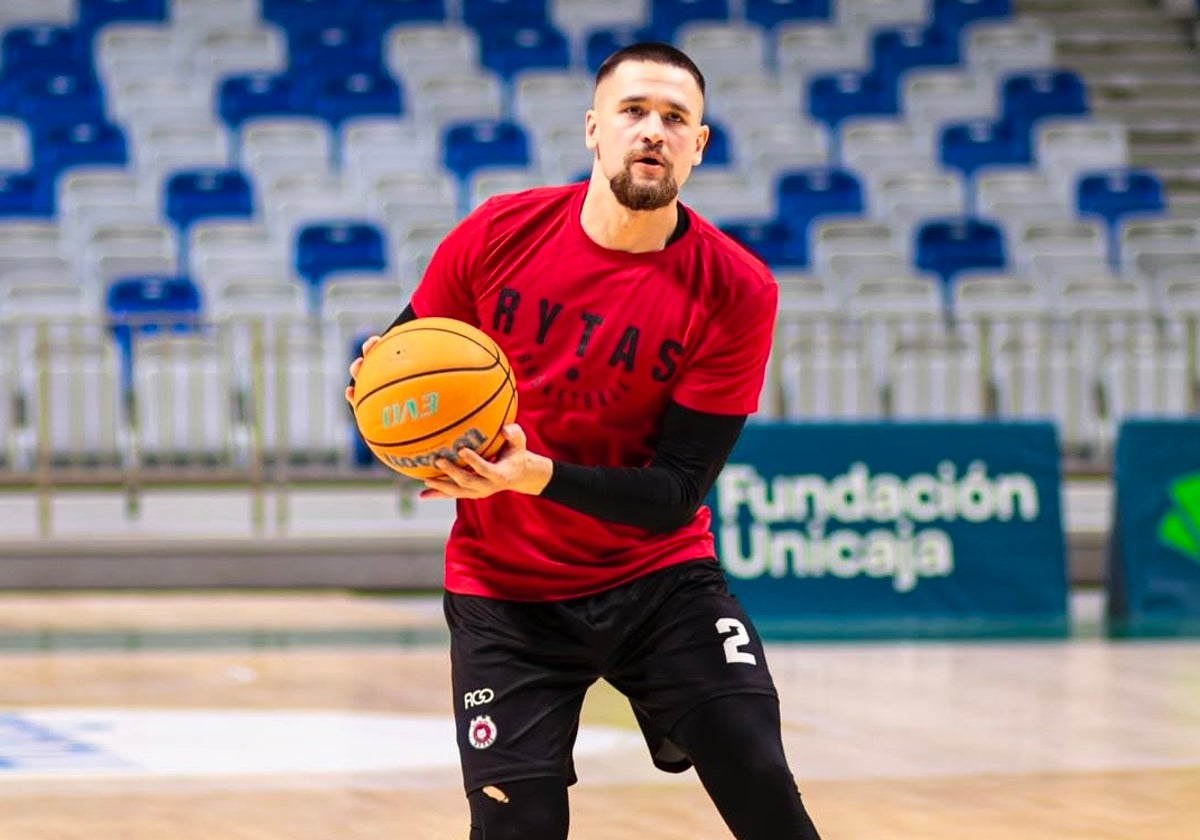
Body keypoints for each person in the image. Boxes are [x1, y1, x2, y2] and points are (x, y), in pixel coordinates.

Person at [346, 41, 823, 840]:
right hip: (505, 590)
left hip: (658, 581)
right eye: (634, 111)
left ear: (698, 146)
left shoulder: (736, 288)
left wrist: (533, 475)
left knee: (761, 781)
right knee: (516, 828)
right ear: (594, 130)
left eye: (676, 119)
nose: (653, 131)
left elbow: (675, 494)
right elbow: (401, 375)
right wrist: (380, 397)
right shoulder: (498, 232)